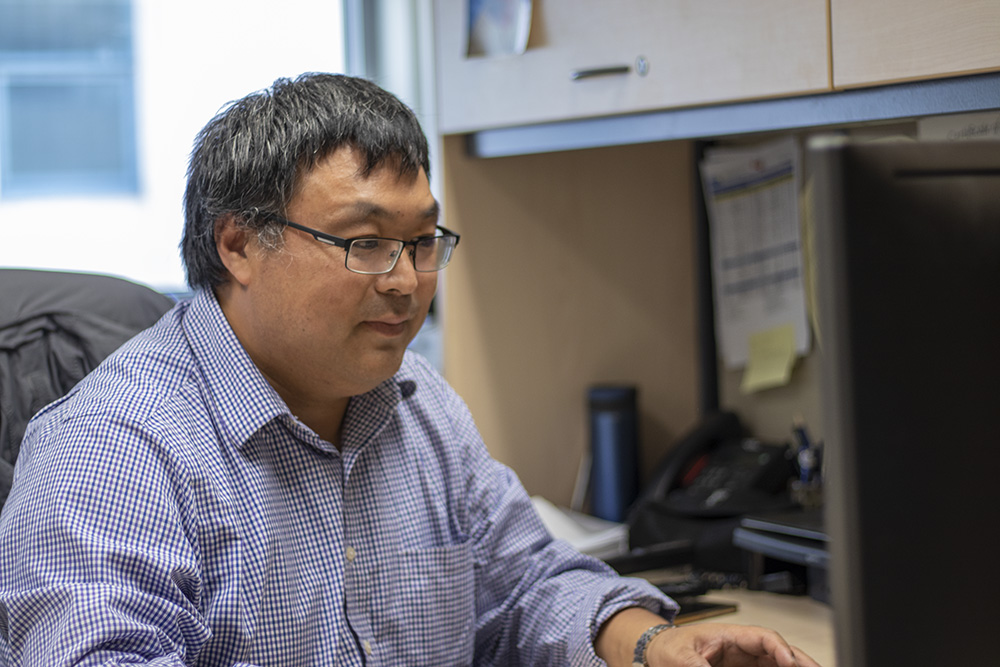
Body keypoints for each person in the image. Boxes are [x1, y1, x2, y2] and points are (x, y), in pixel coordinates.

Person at [0, 73, 820, 667]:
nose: (404, 280)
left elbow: (526, 582)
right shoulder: (110, 454)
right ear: (239, 245)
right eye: (364, 243)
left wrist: (653, 642)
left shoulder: (418, 403)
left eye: (423, 243)